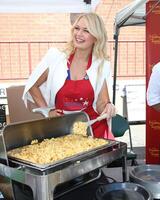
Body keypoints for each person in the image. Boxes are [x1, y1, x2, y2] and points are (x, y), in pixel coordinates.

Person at [22, 12, 116, 139]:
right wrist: (47, 111)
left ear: (96, 37)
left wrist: (108, 107)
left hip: (92, 129)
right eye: (77, 28)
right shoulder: (56, 58)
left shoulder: (101, 65)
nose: (78, 34)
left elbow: (101, 103)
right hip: (61, 129)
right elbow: (33, 85)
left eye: (86, 31)